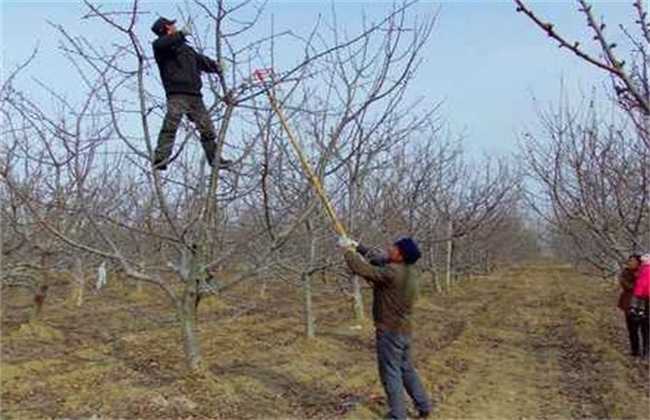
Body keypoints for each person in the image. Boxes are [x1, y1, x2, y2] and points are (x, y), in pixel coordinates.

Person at [338, 235, 432, 419]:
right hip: (404, 330)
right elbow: (380, 258)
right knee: (406, 368)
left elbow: (363, 269)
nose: (390, 249)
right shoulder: (411, 270)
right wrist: (358, 247)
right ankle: (424, 406)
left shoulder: (392, 273)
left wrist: (348, 252)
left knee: (390, 373)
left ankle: (398, 415)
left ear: (401, 255)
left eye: (394, 248)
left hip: (390, 331)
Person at [150, 17, 232, 171]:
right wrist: (181, 34)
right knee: (171, 125)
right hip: (177, 94)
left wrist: (216, 66)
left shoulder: (186, 49)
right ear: (166, 28)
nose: (175, 26)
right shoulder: (162, 47)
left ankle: (215, 159)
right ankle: (161, 158)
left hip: (195, 96)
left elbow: (201, 61)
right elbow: (160, 43)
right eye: (172, 25)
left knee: (207, 128)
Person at [629, 253, 650, 358]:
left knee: (646, 330)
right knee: (633, 330)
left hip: (646, 302)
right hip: (633, 301)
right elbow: (626, 285)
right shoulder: (629, 272)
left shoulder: (643, 271)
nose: (631, 263)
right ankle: (635, 351)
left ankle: (646, 352)